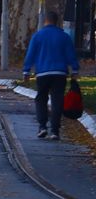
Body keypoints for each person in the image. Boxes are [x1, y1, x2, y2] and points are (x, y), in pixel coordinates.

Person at [22, 10, 80, 140]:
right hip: (60, 73)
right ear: (57, 22)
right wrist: (75, 70)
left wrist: (26, 71)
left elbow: (30, 55)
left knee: (41, 99)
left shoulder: (37, 36)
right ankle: (55, 130)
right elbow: (71, 55)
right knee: (57, 101)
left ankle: (42, 126)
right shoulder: (64, 36)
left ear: (45, 21)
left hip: (42, 73)